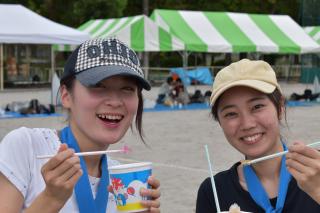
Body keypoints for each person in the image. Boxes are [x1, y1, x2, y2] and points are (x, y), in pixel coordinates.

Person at [0, 38, 160, 213]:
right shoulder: (28, 146)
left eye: (127, 89)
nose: (115, 102)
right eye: (99, 86)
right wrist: (51, 198)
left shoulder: (122, 181)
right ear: (66, 95)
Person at [196, 59, 320, 213]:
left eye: (257, 107)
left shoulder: (317, 170)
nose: (247, 124)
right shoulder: (213, 191)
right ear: (220, 122)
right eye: (231, 114)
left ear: (280, 108)